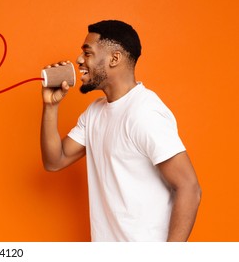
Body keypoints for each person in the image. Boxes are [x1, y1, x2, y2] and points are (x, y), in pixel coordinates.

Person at [40, 20, 201, 241]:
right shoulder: (95, 112)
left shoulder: (145, 112)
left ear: (115, 58)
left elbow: (189, 188)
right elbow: (54, 160)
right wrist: (51, 106)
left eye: (87, 53)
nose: (79, 60)